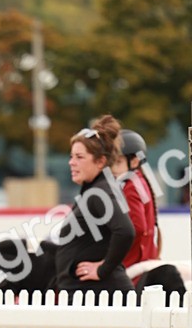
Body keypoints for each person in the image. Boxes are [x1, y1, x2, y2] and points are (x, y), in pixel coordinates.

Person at [54, 114, 135, 296]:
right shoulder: (94, 190)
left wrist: (102, 269)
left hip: (102, 298)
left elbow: (125, 231)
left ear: (100, 162)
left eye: (79, 157)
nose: (71, 163)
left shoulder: (100, 192)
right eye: (71, 156)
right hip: (90, 297)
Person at [114, 128, 160, 268]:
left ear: (134, 162)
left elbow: (137, 228)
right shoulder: (139, 181)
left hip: (134, 263)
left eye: (118, 162)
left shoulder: (131, 186)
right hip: (147, 258)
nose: (111, 168)